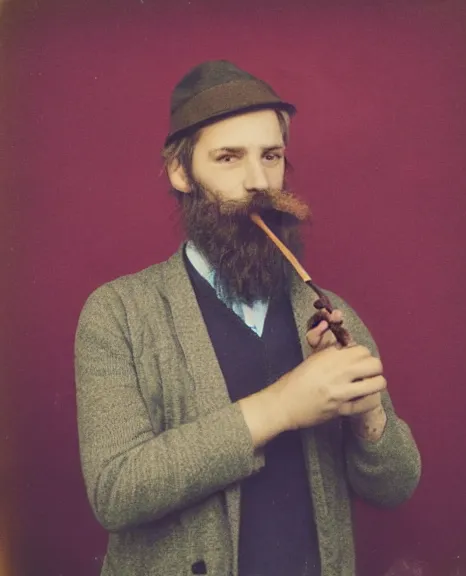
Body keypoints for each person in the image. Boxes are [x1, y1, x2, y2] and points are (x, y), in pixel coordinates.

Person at [74, 60, 421, 576]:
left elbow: (394, 488)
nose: (258, 181)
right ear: (181, 171)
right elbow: (117, 492)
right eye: (229, 157)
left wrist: (368, 413)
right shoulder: (118, 313)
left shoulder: (324, 312)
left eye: (271, 156)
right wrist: (282, 406)